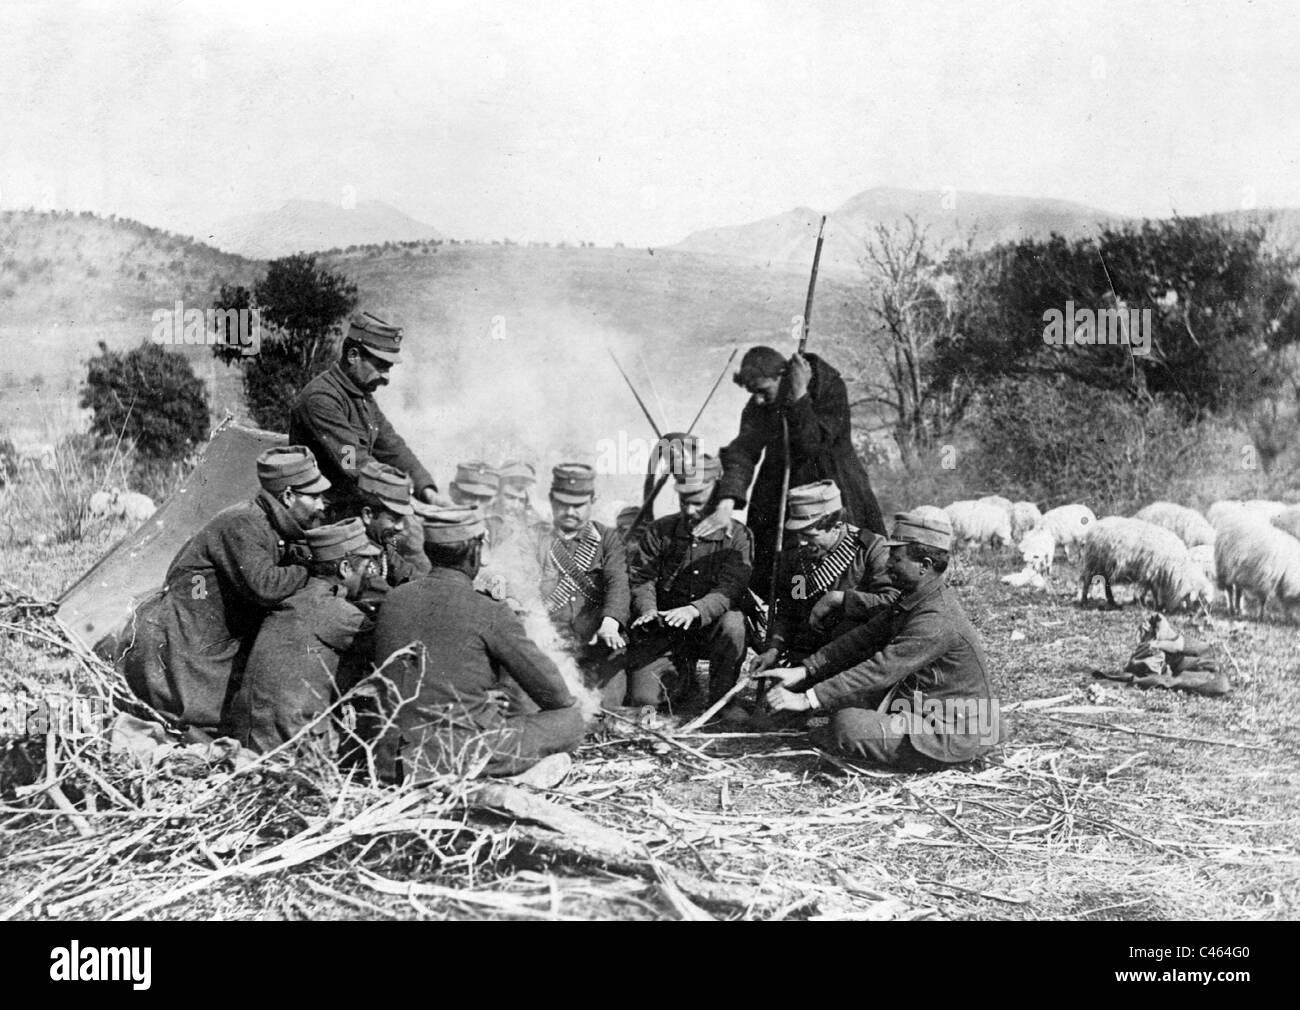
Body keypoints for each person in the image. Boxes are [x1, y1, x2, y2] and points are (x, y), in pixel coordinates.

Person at [762, 511, 1002, 768]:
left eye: (896, 559)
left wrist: (806, 698)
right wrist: (805, 669)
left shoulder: (936, 619)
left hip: (954, 729)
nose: (887, 565)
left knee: (845, 725)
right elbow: (862, 639)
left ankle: (944, 759)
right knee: (832, 716)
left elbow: (880, 670)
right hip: (924, 707)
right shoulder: (914, 599)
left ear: (925, 565)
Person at [122, 446, 329, 736]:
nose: (322, 505)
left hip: (202, 636)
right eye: (315, 496)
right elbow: (266, 586)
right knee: (193, 729)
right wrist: (310, 568)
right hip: (178, 641)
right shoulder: (243, 522)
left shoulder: (268, 524)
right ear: (288, 496)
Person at [373, 505, 586, 783]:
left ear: (429, 549)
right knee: (570, 720)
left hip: (391, 759)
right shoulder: (489, 610)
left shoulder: (393, 599)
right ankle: (511, 778)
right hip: (455, 756)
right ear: (479, 550)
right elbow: (556, 695)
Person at [695, 346, 886, 601]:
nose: (759, 400)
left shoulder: (829, 387)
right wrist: (726, 503)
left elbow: (811, 444)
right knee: (777, 569)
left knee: (846, 562)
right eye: (754, 393)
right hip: (779, 489)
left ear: (782, 375)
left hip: (832, 481)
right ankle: (787, 625)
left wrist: (799, 397)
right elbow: (743, 449)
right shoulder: (761, 403)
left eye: (763, 391)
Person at [228, 518, 380, 754]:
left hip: (251, 739)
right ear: (344, 569)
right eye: (365, 569)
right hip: (290, 747)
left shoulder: (297, 597)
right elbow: (388, 645)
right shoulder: (337, 613)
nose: (369, 577)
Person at [626, 455, 753, 720]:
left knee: (734, 624)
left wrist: (695, 610)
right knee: (644, 701)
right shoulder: (660, 530)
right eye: (684, 501)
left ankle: (722, 701)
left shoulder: (739, 535)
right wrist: (648, 610)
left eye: (697, 502)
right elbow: (642, 578)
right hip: (666, 631)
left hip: (710, 629)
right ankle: (683, 685)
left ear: (717, 495)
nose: (690, 510)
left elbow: (731, 588)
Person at [289, 312, 443, 516]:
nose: (386, 378)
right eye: (381, 367)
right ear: (353, 356)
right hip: (321, 515)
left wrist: (428, 491)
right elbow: (351, 461)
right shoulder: (321, 399)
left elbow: (392, 447)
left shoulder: (361, 396)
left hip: (354, 507)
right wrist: (401, 494)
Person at [749, 479, 898, 674]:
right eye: (798, 534)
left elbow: (891, 602)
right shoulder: (799, 561)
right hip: (809, 658)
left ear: (834, 525)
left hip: (856, 658)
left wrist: (839, 599)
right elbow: (792, 609)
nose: (801, 543)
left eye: (809, 535)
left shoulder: (870, 548)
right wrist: (774, 650)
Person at [536, 464, 630, 709]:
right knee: (532, 706)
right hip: (549, 646)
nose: (569, 511)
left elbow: (617, 580)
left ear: (592, 500)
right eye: (562, 503)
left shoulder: (606, 537)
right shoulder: (536, 536)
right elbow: (521, 581)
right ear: (551, 498)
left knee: (607, 708)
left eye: (578, 505)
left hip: (596, 646)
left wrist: (611, 621)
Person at [350, 460, 429, 589]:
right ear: (368, 515)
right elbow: (382, 597)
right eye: (394, 519)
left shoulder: (381, 542)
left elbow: (407, 573)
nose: (401, 527)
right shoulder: (355, 551)